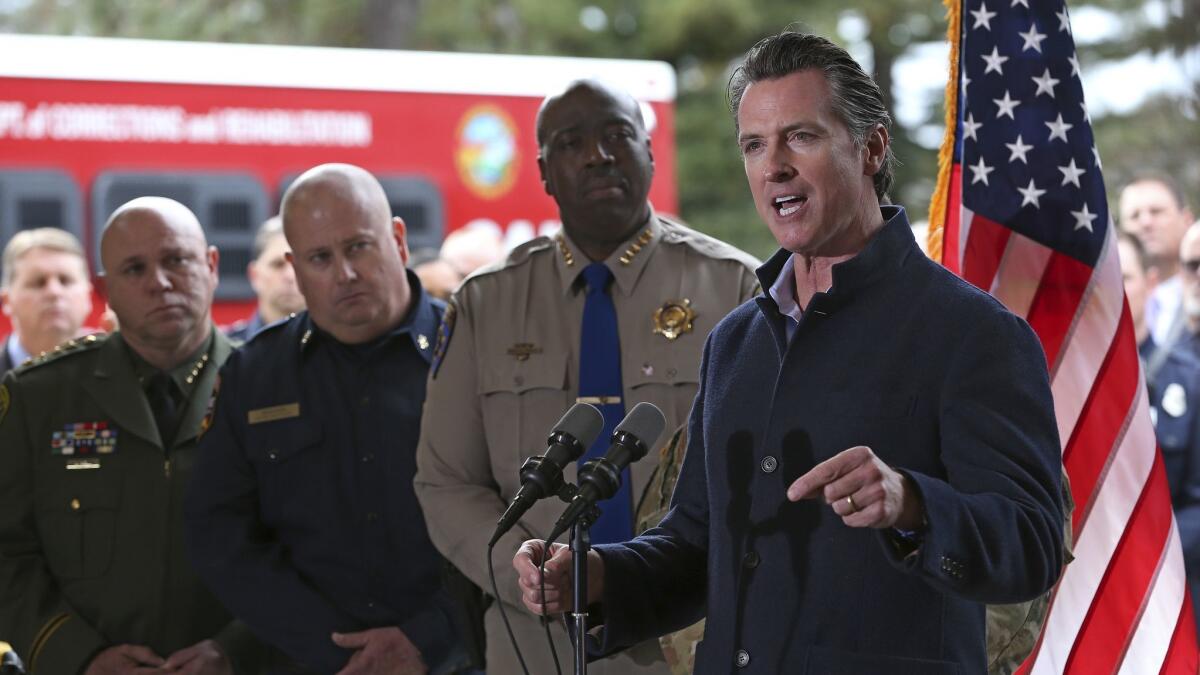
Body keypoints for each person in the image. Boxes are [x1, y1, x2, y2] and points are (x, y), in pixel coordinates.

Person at [513, 32, 1065, 673]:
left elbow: (1032, 544)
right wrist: (596, 575)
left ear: (871, 147)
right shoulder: (734, 341)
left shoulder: (974, 333)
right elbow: (697, 543)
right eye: (754, 144)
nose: (773, 165)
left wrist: (913, 502)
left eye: (799, 137)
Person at [414, 79, 760, 674]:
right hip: (535, 643)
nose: (598, 155)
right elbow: (445, 481)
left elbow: (764, 474)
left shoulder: (734, 288)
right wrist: (526, 573)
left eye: (617, 135)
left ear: (650, 152)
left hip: (693, 636)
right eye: (572, 143)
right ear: (545, 173)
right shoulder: (485, 304)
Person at [186, 163, 466, 674]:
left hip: (459, 659)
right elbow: (219, 533)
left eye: (358, 246)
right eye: (321, 257)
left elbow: (526, 519)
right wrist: (332, 648)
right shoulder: (256, 374)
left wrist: (428, 638)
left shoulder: (474, 352)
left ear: (398, 240)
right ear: (295, 268)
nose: (345, 273)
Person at [0, 198, 263, 674]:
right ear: (108, 291)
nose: (158, 282)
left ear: (211, 265)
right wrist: (78, 656)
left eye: (175, 260)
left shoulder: (273, 387)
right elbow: (7, 552)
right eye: (134, 269)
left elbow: (312, 546)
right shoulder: (39, 398)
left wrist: (237, 650)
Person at [1120, 229, 1200, 619]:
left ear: (1151, 283)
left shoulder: (1190, 379)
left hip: (1173, 589)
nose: (1112, 291)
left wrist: (1146, 559)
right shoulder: (1058, 384)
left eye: (1124, 277)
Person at [0, 228, 94, 377]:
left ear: (88, 296)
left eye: (65, 280)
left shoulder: (122, 371)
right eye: (38, 282)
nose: (54, 292)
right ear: (7, 301)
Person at [1119, 174, 1195, 350]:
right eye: (1134, 216)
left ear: (1187, 220)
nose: (1145, 222)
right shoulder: (1109, 300)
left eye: (1156, 211)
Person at [225, 216, 305, 342]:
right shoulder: (226, 353)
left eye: (298, 265)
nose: (290, 276)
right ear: (254, 275)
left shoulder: (338, 351)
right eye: (278, 264)